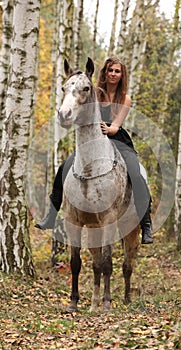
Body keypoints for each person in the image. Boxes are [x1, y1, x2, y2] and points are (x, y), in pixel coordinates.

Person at [35, 57, 153, 244]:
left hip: (117, 139)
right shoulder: (95, 93)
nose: (113, 74)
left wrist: (111, 128)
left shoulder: (125, 98)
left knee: (136, 173)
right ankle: (51, 214)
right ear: (104, 72)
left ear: (122, 75)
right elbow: (81, 106)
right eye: (110, 70)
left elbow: (116, 125)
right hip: (93, 141)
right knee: (64, 168)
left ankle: (146, 223)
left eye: (117, 71)